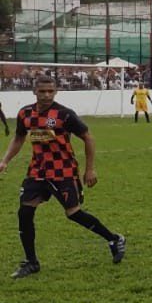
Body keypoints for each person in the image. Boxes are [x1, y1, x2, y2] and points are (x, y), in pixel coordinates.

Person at [1, 75, 125, 279]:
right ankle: (31, 262)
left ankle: (114, 239)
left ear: (56, 91)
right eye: (42, 91)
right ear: (34, 91)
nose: (46, 95)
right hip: (37, 171)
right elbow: (19, 138)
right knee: (24, 212)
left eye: (50, 91)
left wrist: (90, 169)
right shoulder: (25, 113)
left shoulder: (64, 114)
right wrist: (5, 160)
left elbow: (88, 137)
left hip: (63, 170)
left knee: (73, 213)